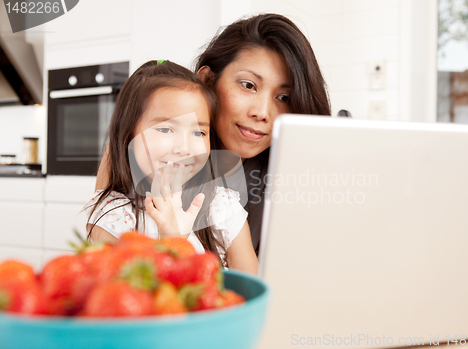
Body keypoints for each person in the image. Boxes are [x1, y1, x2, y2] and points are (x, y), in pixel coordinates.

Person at [95, 13, 331, 256]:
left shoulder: (289, 169)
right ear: (207, 79)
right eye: (248, 85)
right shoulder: (140, 153)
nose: (262, 113)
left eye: (284, 98)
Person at [85, 60, 258, 275]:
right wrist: (172, 243)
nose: (184, 148)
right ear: (128, 134)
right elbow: (121, 299)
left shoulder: (221, 207)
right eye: (166, 129)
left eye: (198, 133)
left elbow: (253, 292)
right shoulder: (114, 217)